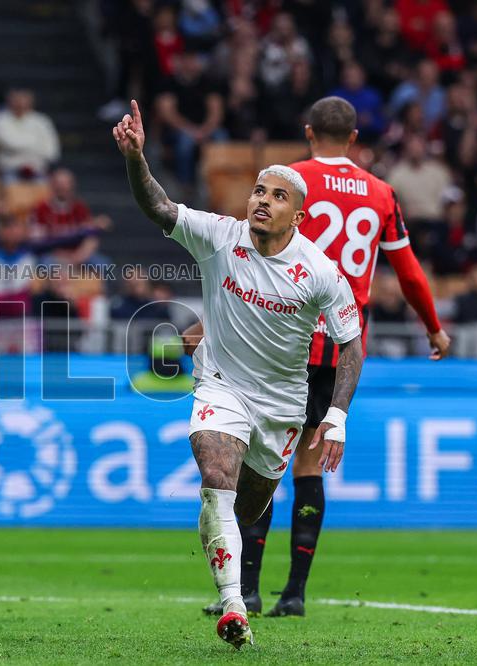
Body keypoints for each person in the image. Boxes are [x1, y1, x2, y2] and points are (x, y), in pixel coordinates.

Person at [113, 100, 364, 649]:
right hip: (220, 386)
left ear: (298, 215)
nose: (263, 201)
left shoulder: (319, 271)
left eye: (278, 196)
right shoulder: (220, 236)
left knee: (250, 504)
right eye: (259, 191)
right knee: (215, 477)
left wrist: (338, 417)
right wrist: (137, 158)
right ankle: (233, 606)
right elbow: (157, 206)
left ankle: (235, 556)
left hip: (282, 406)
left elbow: (350, 342)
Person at [200, 96, 450, 619]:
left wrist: (208, 321)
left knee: (256, 466)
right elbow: (407, 271)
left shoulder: (291, 181)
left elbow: (255, 256)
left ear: (309, 132)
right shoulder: (382, 193)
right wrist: (433, 327)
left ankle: (246, 589)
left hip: (279, 339)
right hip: (339, 347)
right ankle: (295, 592)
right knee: (307, 470)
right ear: (355, 138)